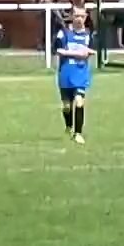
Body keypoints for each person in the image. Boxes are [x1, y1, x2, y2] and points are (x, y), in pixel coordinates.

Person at [55, 7, 94, 144]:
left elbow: (92, 51)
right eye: (76, 15)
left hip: (80, 73)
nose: (79, 18)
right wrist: (78, 53)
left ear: (86, 17)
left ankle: (78, 133)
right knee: (66, 105)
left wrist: (86, 52)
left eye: (82, 16)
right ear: (72, 16)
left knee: (79, 101)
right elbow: (59, 50)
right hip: (65, 73)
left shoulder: (89, 34)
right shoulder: (64, 33)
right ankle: (68, 126)